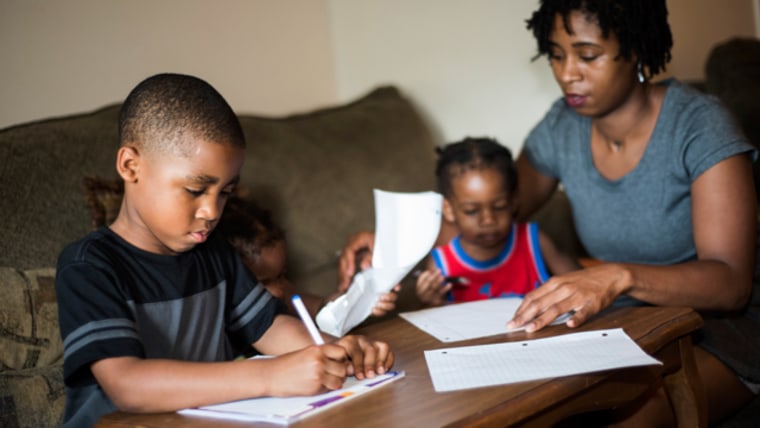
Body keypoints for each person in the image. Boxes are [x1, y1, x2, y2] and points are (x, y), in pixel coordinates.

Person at [338, 0, 759, 425]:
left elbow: (730, 283)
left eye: (588, 55)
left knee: (632, 412)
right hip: (629, 320)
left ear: (634, 49)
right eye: (556, 55)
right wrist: (393, 238)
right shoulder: (564, 126)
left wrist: (617, 275)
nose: (566, 73)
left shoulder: (700, 125)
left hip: (726, 329)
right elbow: (497, 212)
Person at [55, 73, 394, 428]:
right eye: (194, 190)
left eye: (225, 193)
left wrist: (335, 350)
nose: (212, 212)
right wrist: (270, 377)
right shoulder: (88, 267)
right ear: (130, 166)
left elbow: (269, 327)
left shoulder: (213, 253)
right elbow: (127, 384)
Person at [414, 137, 579, 307]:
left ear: (514, 202)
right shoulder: (441, 265)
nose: (488, 220)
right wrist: (432, 302)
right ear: (448, 210)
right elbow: (435, 324)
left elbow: (580, 284)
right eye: (472, 211)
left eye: (499, 207)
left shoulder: (535, 241)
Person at [216, 195, 399, 317]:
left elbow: (321, 307)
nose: (280, 290)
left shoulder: (283, 294)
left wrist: (357, 298)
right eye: (263, 283)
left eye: (281, 276)